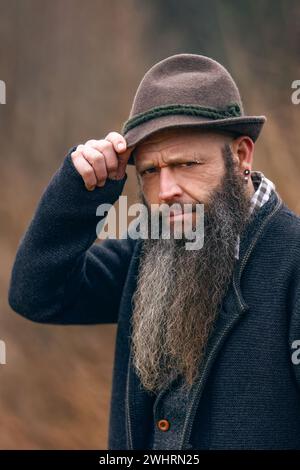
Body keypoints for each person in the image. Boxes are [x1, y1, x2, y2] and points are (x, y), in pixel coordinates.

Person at [8, 53, 300, 450]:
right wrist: (80, 193)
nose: (166, 192)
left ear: (241, 155)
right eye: (149, 171)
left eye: (186, 164)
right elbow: (36, 294)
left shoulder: (293, 260)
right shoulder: (148, 253)